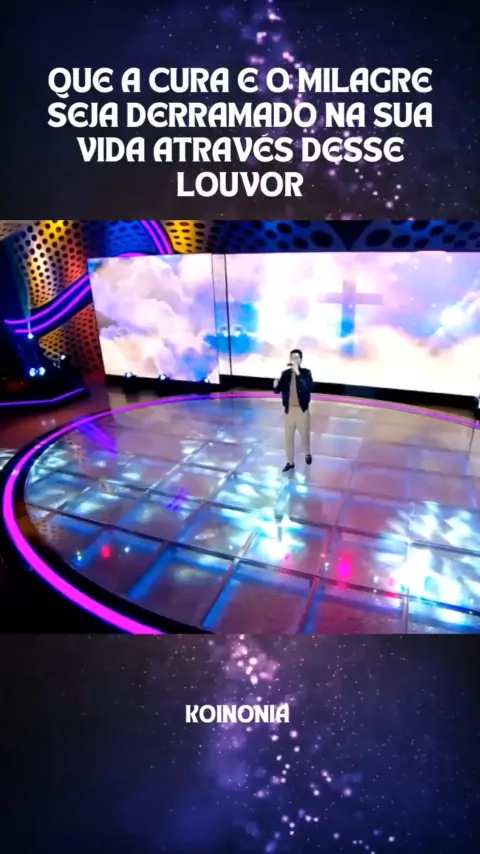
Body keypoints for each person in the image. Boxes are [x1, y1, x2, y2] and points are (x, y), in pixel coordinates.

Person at [273, 348, 313, 472]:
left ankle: (307, 453)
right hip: (289, 411)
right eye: (292, 357)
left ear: (300, 360)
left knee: (304, 435)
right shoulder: (285, 374)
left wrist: (298, 374)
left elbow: (307, 388)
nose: (294, 360)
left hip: (301, 411)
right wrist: (275, 386)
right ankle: (290, 462)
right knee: (288, 438)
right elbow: (278, 390)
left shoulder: (306, 373)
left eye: (296, 357)